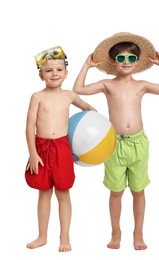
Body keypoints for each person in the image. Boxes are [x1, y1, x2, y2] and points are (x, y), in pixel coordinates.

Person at [73, 32, 159, 250]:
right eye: (121, 58)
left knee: (138, 191)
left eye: (131, 59)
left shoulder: (142, 85)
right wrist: (86, 66)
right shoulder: (107, 84)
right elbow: (78, 89)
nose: (126, 62)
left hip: (138, 143)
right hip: (114, 144)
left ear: (137, 63)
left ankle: (138, 233)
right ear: (113, 62)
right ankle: (115, 232)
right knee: (115, 191)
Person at [25, 46, 96, 252]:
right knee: (44, 192)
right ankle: (42, 236)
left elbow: (87, 108)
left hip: (62, 148)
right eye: (48, 70)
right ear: (41, 75)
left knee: (63, 193)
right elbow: (30, 126)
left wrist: (99, 124)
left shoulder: (69, 95)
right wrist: (33, 153)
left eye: (58, 70)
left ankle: (65, 238)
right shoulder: (37, 97)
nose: (54, 74)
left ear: (66, 73)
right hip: (41, 148)